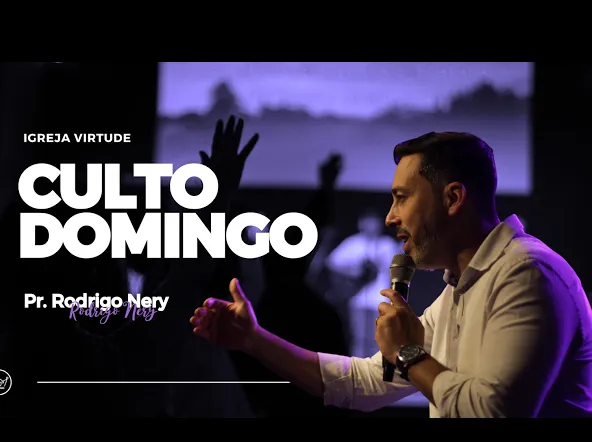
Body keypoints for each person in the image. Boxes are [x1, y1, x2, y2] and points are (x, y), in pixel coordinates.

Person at [190, 130, 592, 418]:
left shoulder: (526, 274)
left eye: (401, 198)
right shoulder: (463, 288)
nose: (390, 217)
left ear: (453, 198)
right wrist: (254, 339)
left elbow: (493, 411)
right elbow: (363, 383)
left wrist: (409, 353)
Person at [325, 207, 400, 358]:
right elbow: (331, 261)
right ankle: (357, 366)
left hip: (379, 298)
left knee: (377, 338)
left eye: (374, 222)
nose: (371, 226)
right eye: (368, 222)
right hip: (357, 298)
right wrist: (352, 271)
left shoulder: (387, 245)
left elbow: (396, 269)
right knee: (358, 338)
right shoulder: (353, 243)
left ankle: (373, 368)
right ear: (361, 223)